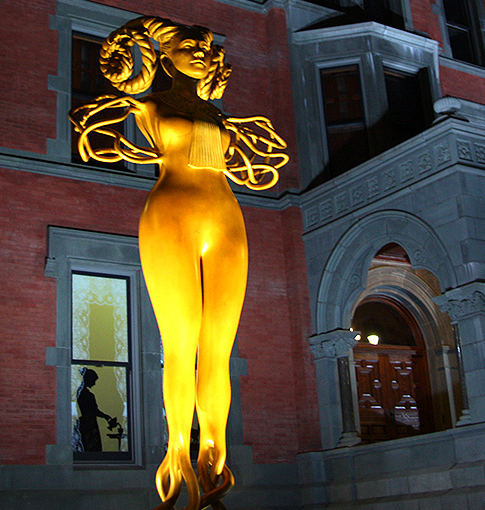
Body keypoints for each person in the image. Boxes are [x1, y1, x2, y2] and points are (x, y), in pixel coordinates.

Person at [70, 16, 288, 510]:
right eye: (191, 46)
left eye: (206, 49)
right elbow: (102, 117)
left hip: (227, 219)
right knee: (180, 342)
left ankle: (215, 461)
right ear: (166, 57)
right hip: (171, 216)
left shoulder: (217, 113)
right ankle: (177, 458)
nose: (202, 54)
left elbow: (254, 161)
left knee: (218, 349)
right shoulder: (149, 105)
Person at [76, 368, 117, 453]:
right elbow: (94, 410)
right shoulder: (86, 394)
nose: (94, 383)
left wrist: (106, 417)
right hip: (89, 424)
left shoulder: (82, 393)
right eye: (93, 381)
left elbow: (94, 410)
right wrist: (106, 417)